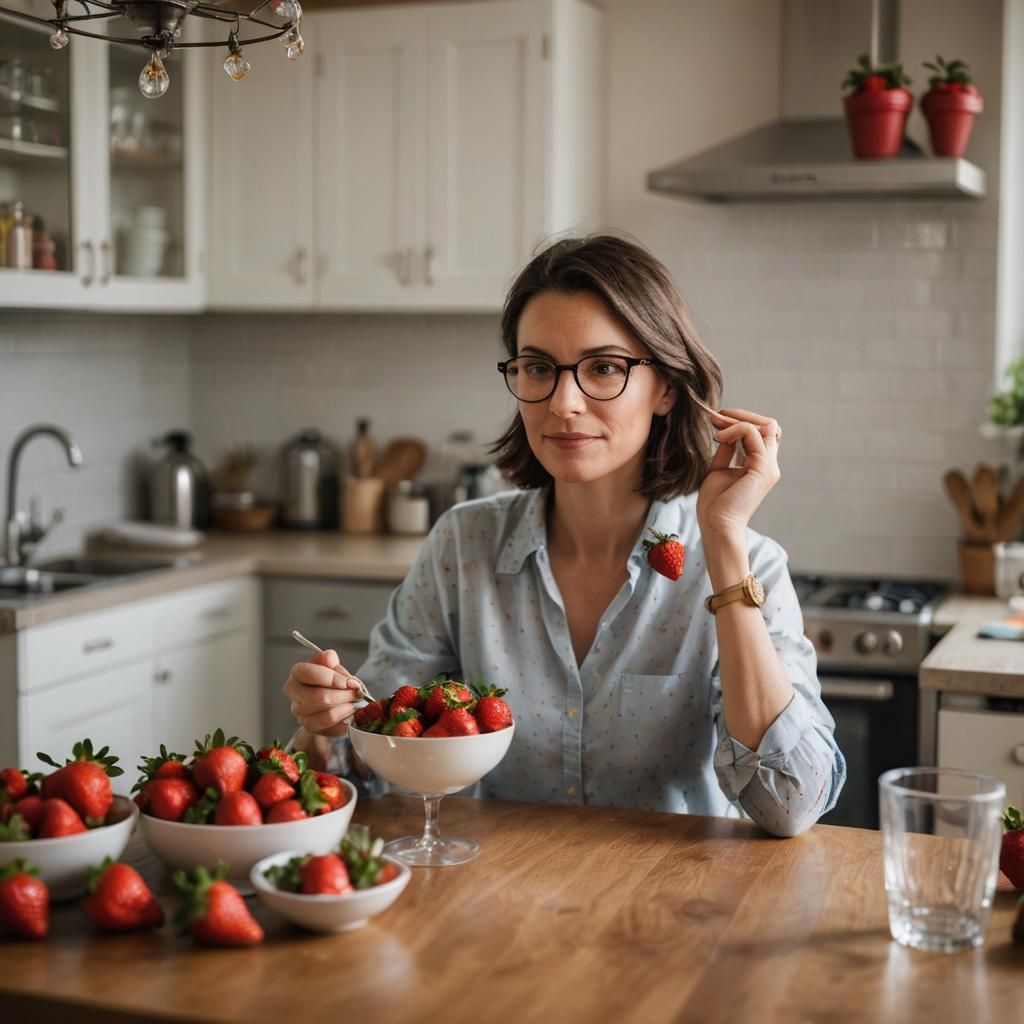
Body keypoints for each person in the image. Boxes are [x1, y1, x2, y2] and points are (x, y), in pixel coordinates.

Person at [283, 234, 845, 838]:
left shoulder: (749, 561)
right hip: (503, 902)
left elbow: (790, 805)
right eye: (539, 368)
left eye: (604, 367)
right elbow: (371, 766)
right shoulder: (462, 546)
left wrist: (725, 539)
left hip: (676, 913)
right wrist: (324, 724)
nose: (565, 403)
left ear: (665, 389)